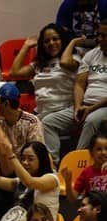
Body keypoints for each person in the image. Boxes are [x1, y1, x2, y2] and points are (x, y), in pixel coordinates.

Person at [42, 19, 107, 153]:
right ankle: (53, 167)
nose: (99, 39)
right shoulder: (91, 55)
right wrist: (78, 107)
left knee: (90, 121)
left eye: (104, 36)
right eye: (98, 35)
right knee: (48, 122)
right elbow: (79, 83)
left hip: (102, 107)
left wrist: (91, 109)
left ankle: (76, 162)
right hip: (84, 104)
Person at [10, 24, 77, 120]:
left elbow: (64, 62)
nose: (51, 43)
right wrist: (26, 46)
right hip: (41, 112)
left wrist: (72, 42)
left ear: (63, 40)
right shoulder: (40, 63)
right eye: (46, 41)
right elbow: (14, 73)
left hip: (62, 112)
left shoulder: (72, 59)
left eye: (55, 39)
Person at [63, 131, 107, 204]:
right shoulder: (86, 172)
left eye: (106, 149)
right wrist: (68, 182)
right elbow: (72, 199)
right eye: (99, 149)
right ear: (91, 152)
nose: (104, 152)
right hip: (93, 211)